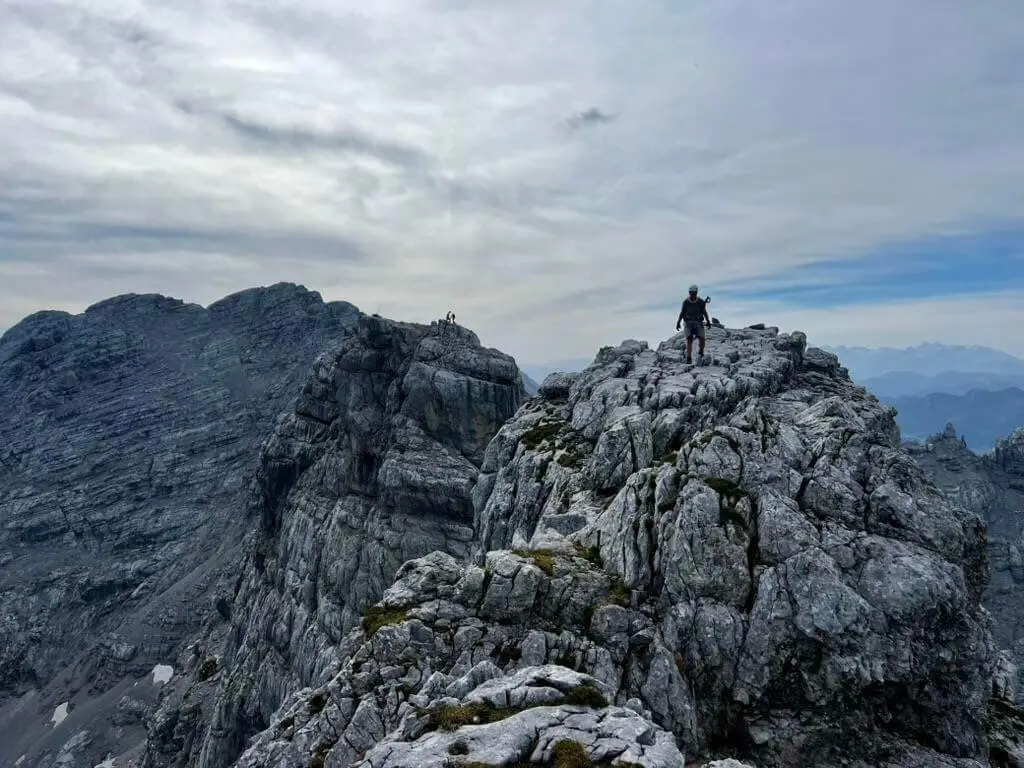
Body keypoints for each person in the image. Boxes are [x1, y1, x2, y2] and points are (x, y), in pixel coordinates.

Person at [675, 285, 711, 364]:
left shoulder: (701, 302)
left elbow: (704, 312)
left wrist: (708, 321)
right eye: (691, 293)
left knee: (702, 338)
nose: (692, 295)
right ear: (689, 293)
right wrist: (678, 322)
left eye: (694, 293)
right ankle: (689, 358)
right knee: (689, 339)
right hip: (688, 323)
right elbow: (682, 313)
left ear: (696, 293)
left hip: (698, 322)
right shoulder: (686, 302)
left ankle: (701, 351)